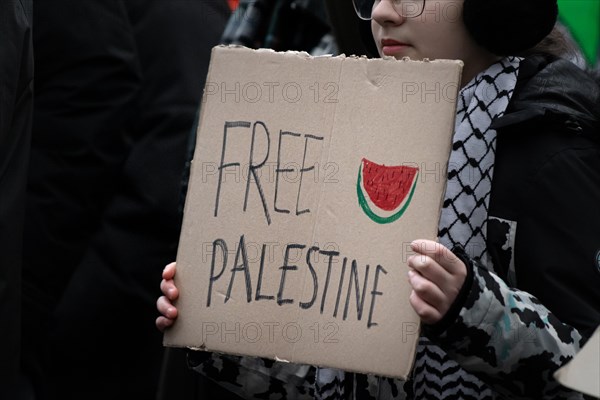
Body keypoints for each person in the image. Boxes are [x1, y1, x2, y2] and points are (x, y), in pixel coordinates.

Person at [157, 0, 600, 398]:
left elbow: (590, 376)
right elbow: (337, 379)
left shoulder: (554, 154)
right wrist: (224, 339)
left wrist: (473, 308)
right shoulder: (367, 131)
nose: (383, 13)